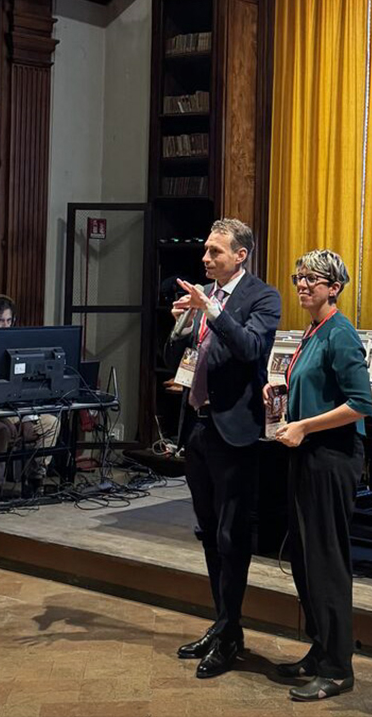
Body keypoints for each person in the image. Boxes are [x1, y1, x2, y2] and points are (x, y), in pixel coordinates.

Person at [165, 218, 281, 678]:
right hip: (197, 425)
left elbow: (251, 348)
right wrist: (181, 324)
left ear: (240, 255)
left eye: (215, 251)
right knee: (209, 532)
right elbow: (178, 359)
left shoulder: (262, 297)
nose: (206, 258)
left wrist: (211, 311)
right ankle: (222, 624)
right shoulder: (205, 298)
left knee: (233, 536)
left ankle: (231, 633)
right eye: (206, 250)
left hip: (234, 429)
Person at [270, 249, 372, 700]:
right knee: (305, 560)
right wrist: (281, 387)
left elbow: (361, 404)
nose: (302, 284)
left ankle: (337, 667)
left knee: (326, 562)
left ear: (334, 287)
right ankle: (320, 649)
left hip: (332, 456)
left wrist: (305, 426)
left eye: (312, 278)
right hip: (307, 454)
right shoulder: (312, 331)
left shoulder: (340, 333)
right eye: (299, 277)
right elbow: (314, 386)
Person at [0, 294, 61, 504]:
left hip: (11, 410)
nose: (5, 326)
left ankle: (34, 482)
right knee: (1, 431)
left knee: (51, 423)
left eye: (8, 321)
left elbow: (23, 389)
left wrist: (27, 418)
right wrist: (4, 418)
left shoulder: (15, 345)